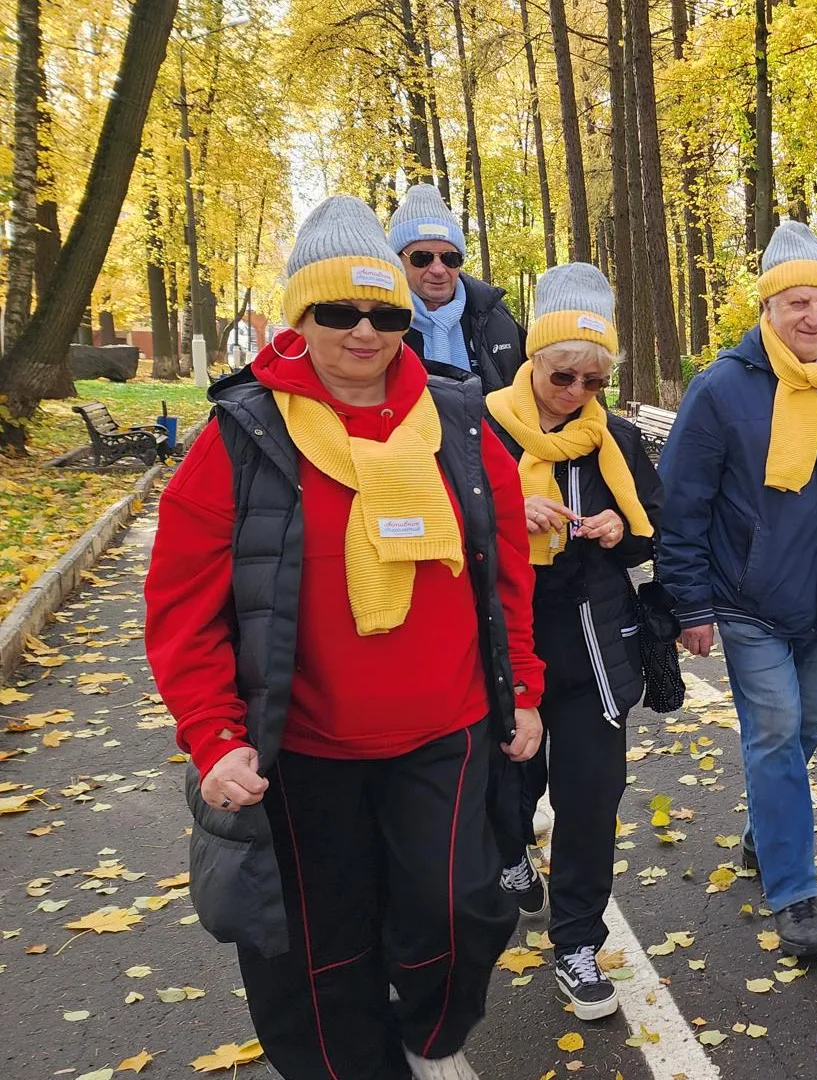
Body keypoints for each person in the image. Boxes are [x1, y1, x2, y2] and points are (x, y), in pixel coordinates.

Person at [145, 196, 544, 1080]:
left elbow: (506, 575)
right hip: (302, 752)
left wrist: (522, 686)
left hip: (447, 734)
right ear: (301, 315)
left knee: (461, 914)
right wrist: (212, 735)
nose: (365, 332)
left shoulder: (463, 424)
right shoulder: (243, 436)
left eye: (387, 313)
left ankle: (429, 1024)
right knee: (321, 954)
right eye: (338, 312)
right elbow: (182, 608)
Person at [656, 221, 817, 957]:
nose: (813, 318)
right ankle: (795, 892)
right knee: (774, 733)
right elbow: (682, 506)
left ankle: (764, 838)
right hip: (747, 607)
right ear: (767, 310)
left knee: (801, 734)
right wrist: (691, 604)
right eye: (797, 303)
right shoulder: (721, 391)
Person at [485, 263, 671, 1020]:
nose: (577, 395)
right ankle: (507, 855)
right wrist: (507, 509)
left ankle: (576, 943)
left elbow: (652, 532)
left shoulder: (615, 438)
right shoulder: (478, 425)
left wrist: (621, 529)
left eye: (595, 382)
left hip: (595, 644)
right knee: (508, 784)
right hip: (505, 642)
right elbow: (444, 532)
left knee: (593, 799)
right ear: (534, 360)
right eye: (565, 376)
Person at [389, 184, 528, 392]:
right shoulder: (378, 321)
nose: (438, 269)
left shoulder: (493, 313)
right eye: (422, 258)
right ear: (397, 261)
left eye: (450, 258)